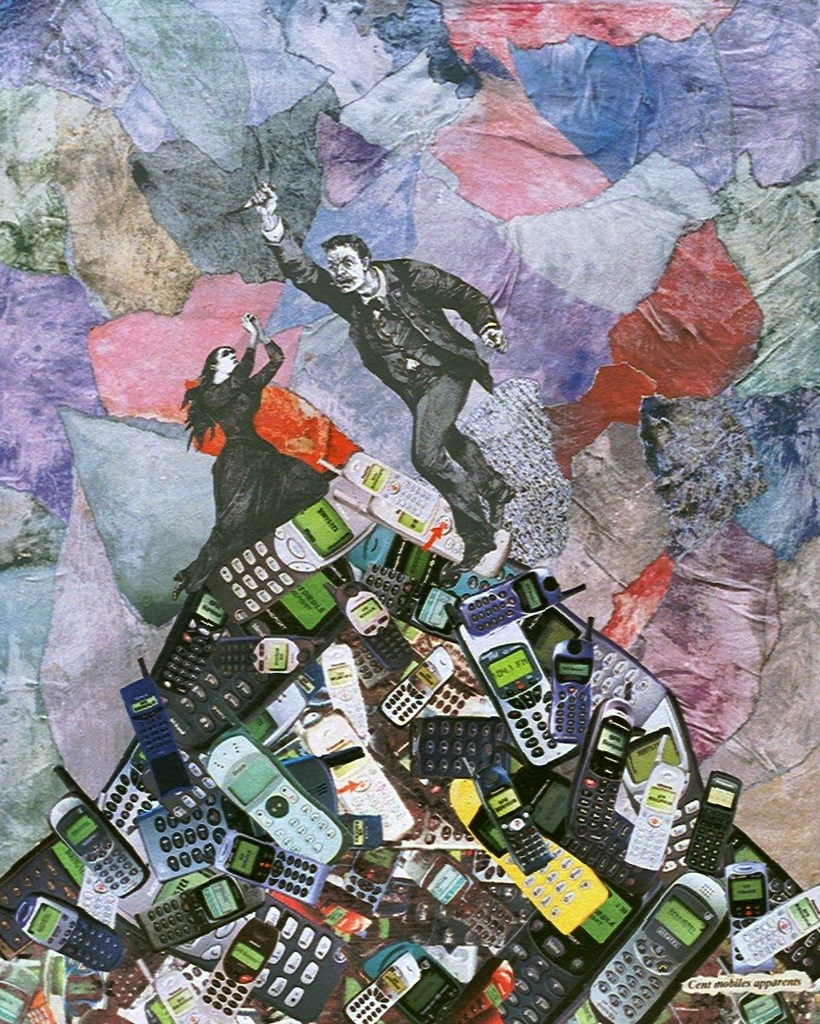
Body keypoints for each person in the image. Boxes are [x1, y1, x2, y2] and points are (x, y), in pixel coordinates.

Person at [247, 184, 515, 572]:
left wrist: (487, 325)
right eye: (334, 267)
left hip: (446, 371)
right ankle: (494, 488)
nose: (339, 274)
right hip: (410, 385)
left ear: (367, 261)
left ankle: (478, 538)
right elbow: (304, 273)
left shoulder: (410, 275)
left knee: (426, 456)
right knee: (449, 439)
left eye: (346, 264)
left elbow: (462, 295)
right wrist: (271, 222)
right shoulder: (347, 297)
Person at [172, 313, 330, 598]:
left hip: (263, 455)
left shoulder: (245, 386)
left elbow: (277, 360)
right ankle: (195, 578)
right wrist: (251, 342)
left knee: (311, 485)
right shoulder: (211, 394)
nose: (232, 356)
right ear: (213, 365)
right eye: (226, 355)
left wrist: (263, 336)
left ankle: (230, 563)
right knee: (231, 525)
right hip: (238, 462)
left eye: (232, 353)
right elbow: (239, 377)